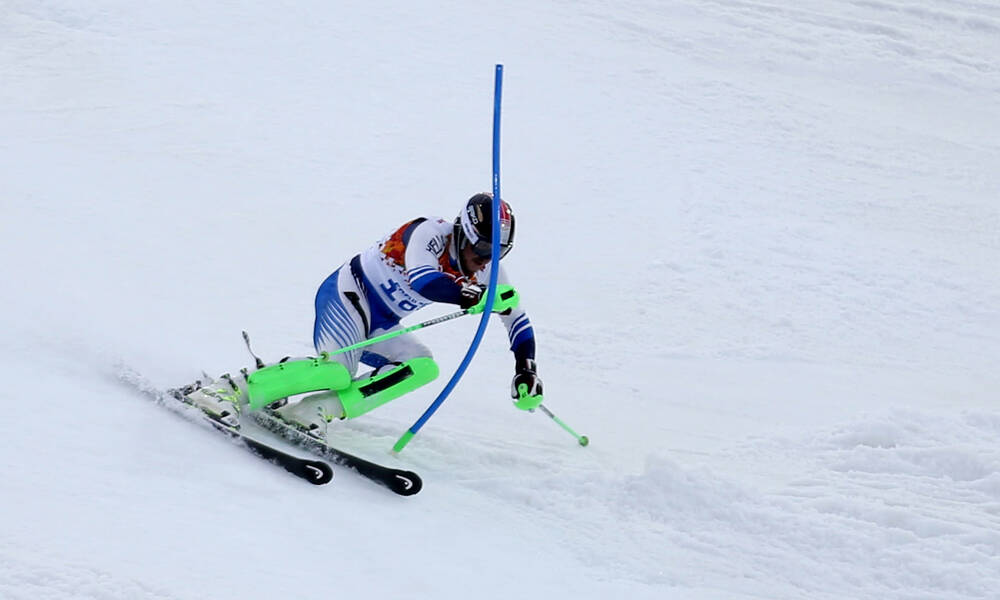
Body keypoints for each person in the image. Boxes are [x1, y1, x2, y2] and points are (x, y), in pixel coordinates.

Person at [184, 193, 544, 437]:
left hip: (381, 323)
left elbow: (517, 318)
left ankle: (312, 412)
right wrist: (468, 294)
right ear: (463, 233)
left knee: (422, 366)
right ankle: (226, 388)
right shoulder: (429, 233)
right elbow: (424, 281)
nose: (486, 261)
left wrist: (525, 370)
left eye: (498, 253)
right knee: (338, 371)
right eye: (482, 249)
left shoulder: (486, 271)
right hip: (349, 294)